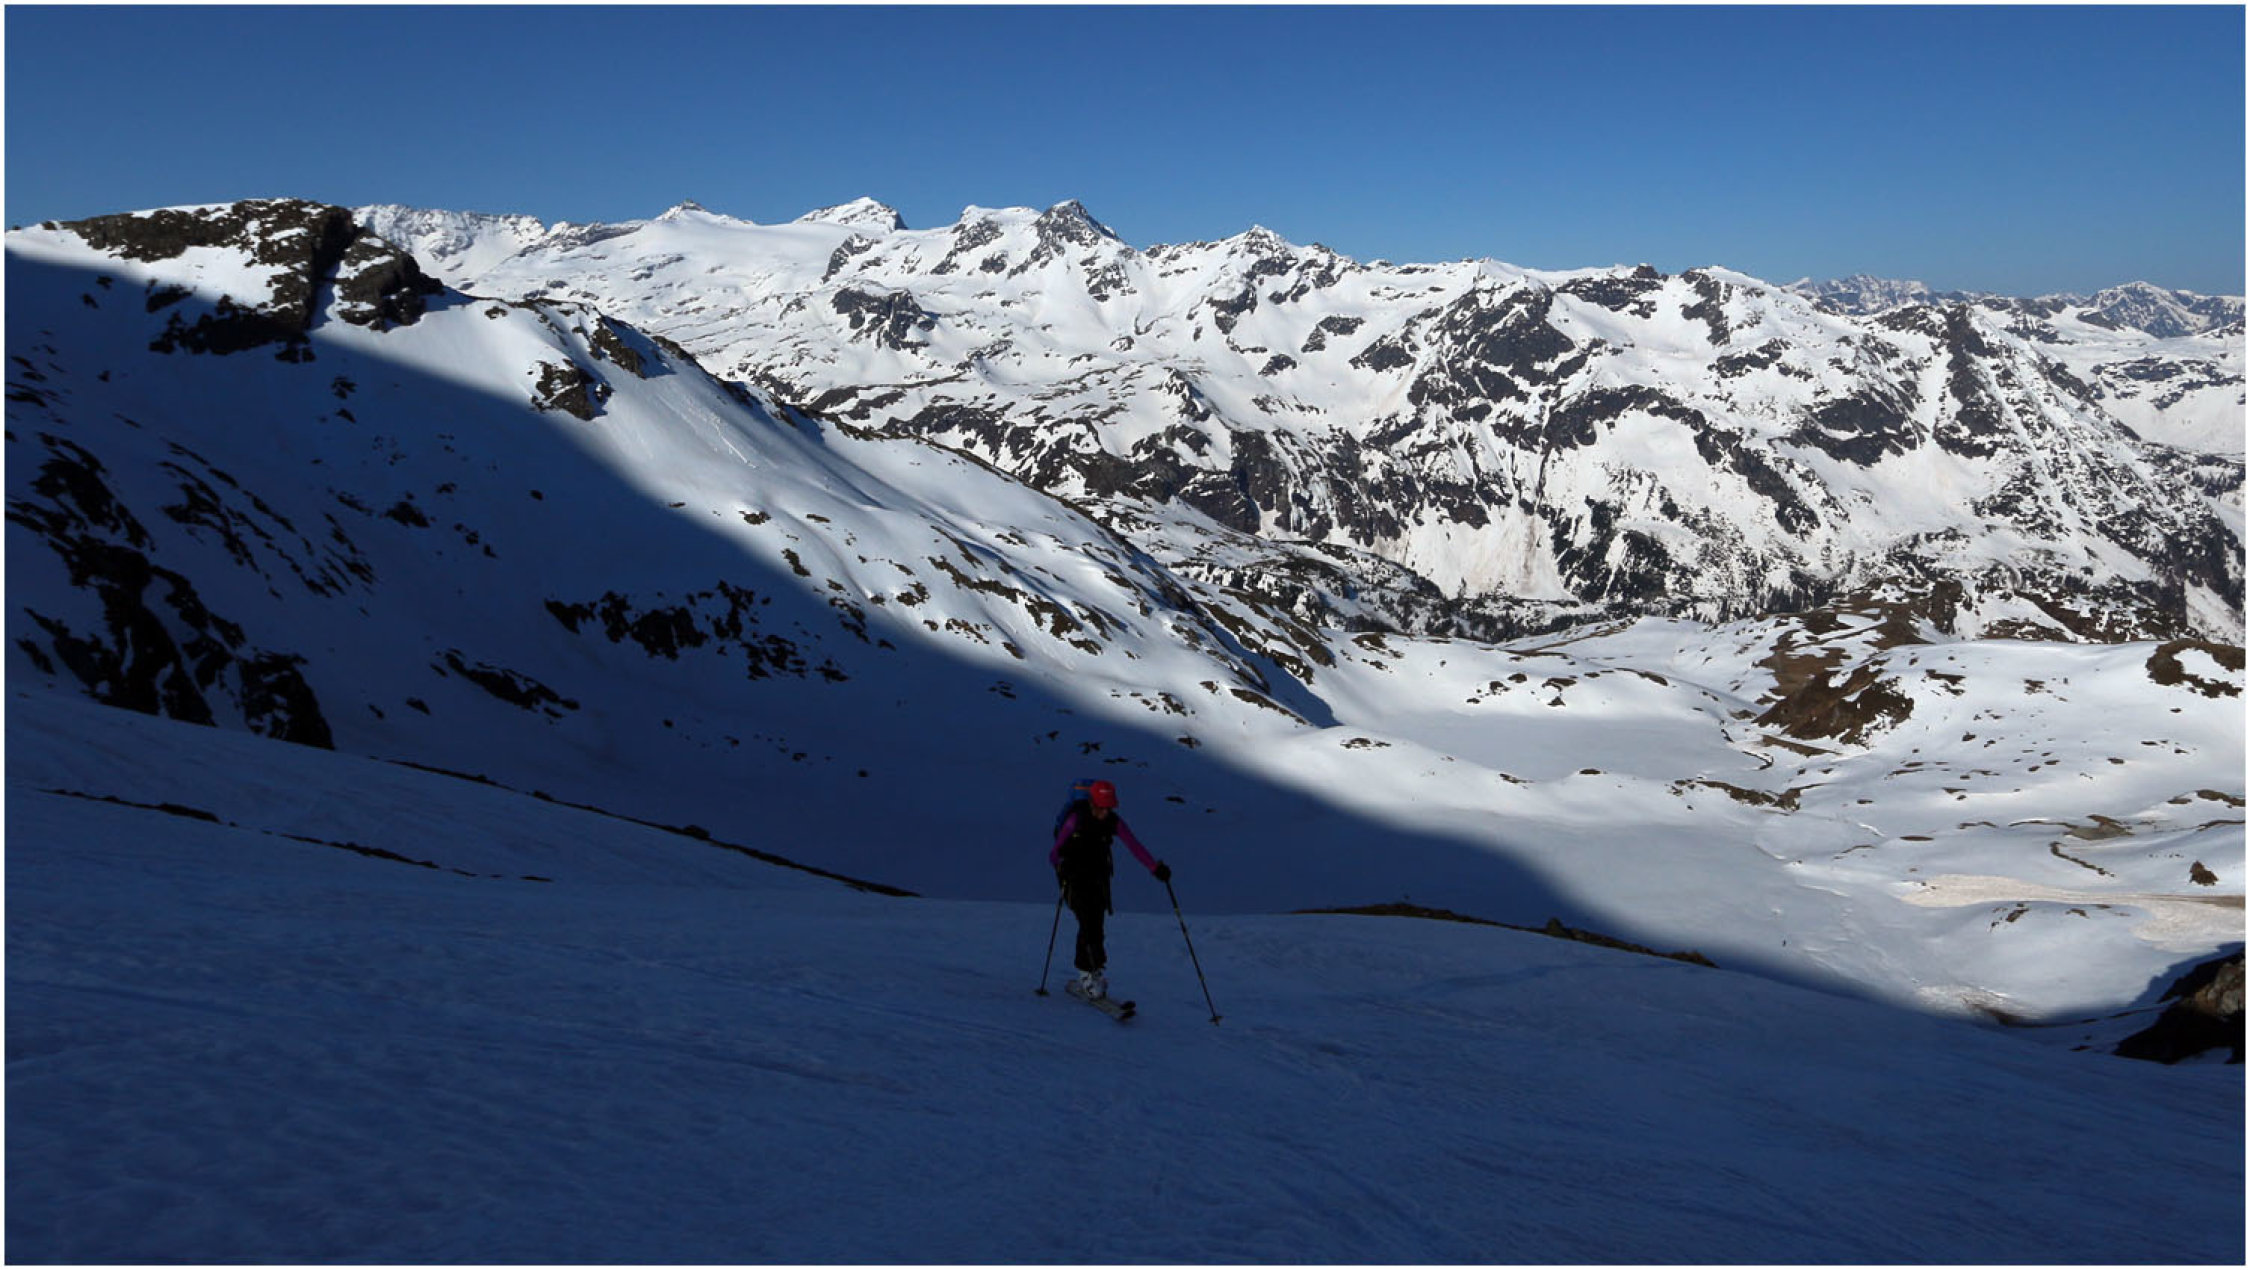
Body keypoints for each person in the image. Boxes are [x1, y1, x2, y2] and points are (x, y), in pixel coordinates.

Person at [1050, 779, 1170, 1000]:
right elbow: (1054, 853)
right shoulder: (1076, 819)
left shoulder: (1113, 822)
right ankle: (1088, 975)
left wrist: (1155, 868)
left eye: (1109, 807)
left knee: (1096, 923)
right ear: (1092, 803)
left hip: (1098, 878)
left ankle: (1091, 972)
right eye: (1102, 807)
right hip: (1073, 878)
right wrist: (1062, 865)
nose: (1105, 812)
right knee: (1088, 923)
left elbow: (1134, 845)